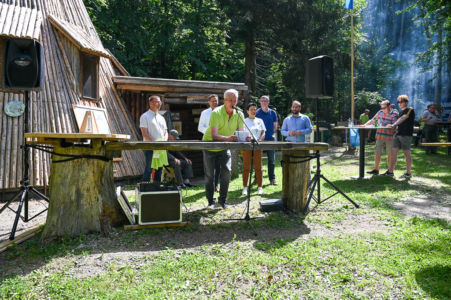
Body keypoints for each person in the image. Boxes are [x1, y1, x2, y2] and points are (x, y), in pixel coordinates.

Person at [202, 89, 244, 209]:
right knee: (210, 175)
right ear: (224, 100)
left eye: (235, 100)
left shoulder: (239, 113)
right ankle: (211, 201)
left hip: (225, 145)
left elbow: (241, 134)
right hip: (210, 144)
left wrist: (244, 137)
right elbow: (214, 135)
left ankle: (223, 200)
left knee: (226, 172)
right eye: (230, 100)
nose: (233, 102)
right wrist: (229, 138)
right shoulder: (216, 112)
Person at [363, 100, 398, 175]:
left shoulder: (395, 114)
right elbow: (373, 120)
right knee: (377, 153)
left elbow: (395, 125)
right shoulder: (380, 112)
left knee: (390, 154)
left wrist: (391, 126)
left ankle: (390, 171)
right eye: (381, 107)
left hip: (390, 137)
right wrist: (365, 125)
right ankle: (376, 169)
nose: (382, 109)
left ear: (388, 106)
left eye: (384, 107)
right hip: (379, 135)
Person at [140, 95, 168, 182]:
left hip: (161, 148)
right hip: (150, 147)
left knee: (159, 168)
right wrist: (154, 143)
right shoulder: (145, 116)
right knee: (149, 168)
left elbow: (166, 132)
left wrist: (164, 140)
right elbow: (144, 133)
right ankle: (145, 188)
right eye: (157, 101)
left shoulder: (162, 118)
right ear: (151, 103)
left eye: (160, 102)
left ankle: (157, 187)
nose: (159, 104)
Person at [386, 95, 415, 178]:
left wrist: (393, 124)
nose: (399, 103)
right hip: (398, 134)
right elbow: (400, 123)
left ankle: (408, 173)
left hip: (406, 135)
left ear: (406, 102)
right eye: (398, 102)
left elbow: (403, 118)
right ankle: (390, 171)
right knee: (393, 153)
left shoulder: (410, 110)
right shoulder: (401, 111)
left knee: (407, 153)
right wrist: (395, 132)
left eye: (401, 102)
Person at [241, 103, 266, 196]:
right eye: (251, 109)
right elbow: (241, 133)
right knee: (246, 167)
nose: (253, 111)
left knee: (258, 167)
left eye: (255, 109)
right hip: (247, 146)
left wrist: (260, 140)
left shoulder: (260, 120)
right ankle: (244, 188)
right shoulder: (244, 121)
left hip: (257, 146)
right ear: (247, 111)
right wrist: (246, 138)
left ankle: (260, 187)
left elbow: (263, 132)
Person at [198, 94, 220, 191]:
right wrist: (210, 133)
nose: (214, 102)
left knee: (218, 164)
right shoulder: (204, 113)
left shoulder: (222, 112)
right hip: (207, 140)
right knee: (209, 165)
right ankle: (209, 185)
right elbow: (200, 127)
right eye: (212, 101)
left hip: (219, 140)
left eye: (216, 101)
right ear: (209, 102)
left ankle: (216, 185)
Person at [256, 95, 279, 185]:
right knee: (258, 160)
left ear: (268, 102)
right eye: (262, 100)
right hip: (259, 140)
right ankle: (256, 179)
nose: (264, 102)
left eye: (266, 101)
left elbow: (275, 126)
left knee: (271, 160)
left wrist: (270, 134)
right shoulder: (257, 112)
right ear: (260, 102)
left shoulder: (273, 113)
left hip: (270, 139)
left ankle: (272, 179)